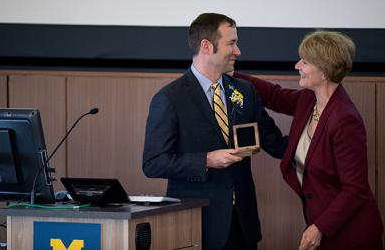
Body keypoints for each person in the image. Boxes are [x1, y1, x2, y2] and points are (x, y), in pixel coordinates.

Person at [143, 13, 287, 250]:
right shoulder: (169, 98)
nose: (238, 51)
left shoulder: (245, 91)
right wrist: (206, 160)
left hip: (243, 225)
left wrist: (316, 144)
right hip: (197, 224)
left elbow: (274, 142)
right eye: (231, 43)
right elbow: (153, 163)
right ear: (206, 46)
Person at [233, 30, 383, 250]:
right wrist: (231, 73)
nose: (297, 66)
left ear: (323, 71)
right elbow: (274, 95)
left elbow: (354, 189)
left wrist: (319, 227)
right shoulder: (308, 100)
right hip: (325, 228)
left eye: (304, 62)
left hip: (351, 236)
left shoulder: (345, 120)